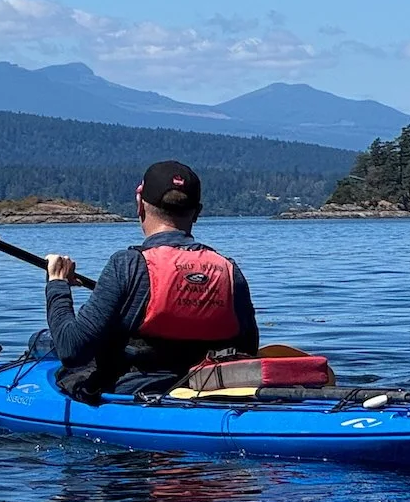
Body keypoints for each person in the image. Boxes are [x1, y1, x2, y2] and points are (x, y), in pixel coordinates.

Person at [37, 160, 259, 398]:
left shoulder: (127, 265)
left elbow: (72, 350)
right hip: (207, 390)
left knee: (42, 344)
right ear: (197, 212)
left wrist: (57, 283)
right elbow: (248, 349)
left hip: (136, 393)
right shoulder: (228, 269)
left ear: (139, 205)